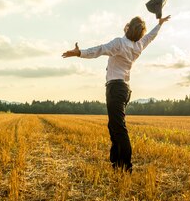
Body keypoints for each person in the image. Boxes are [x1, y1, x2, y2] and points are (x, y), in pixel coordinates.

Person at [62, 15, 171, 172]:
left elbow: (98, 50)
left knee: (119, 128)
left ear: (128, 27)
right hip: (125, 89)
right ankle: (116, 162)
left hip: (115, 88)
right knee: (114, 126)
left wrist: (80, 53)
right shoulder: (139, 45)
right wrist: (159, 24)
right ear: (140, 33)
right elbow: (151, 37)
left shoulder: (119, 43)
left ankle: (125, 166)